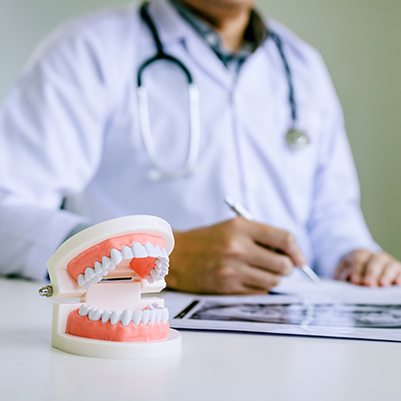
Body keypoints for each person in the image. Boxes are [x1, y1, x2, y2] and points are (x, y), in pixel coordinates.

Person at [0, 0, 400, 294]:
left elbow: (331, 212)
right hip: (144, 328)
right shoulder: (89, 50)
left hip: (300, 330)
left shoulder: (301, 64)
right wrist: (157, 262)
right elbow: (7, 214)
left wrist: (355, 256)